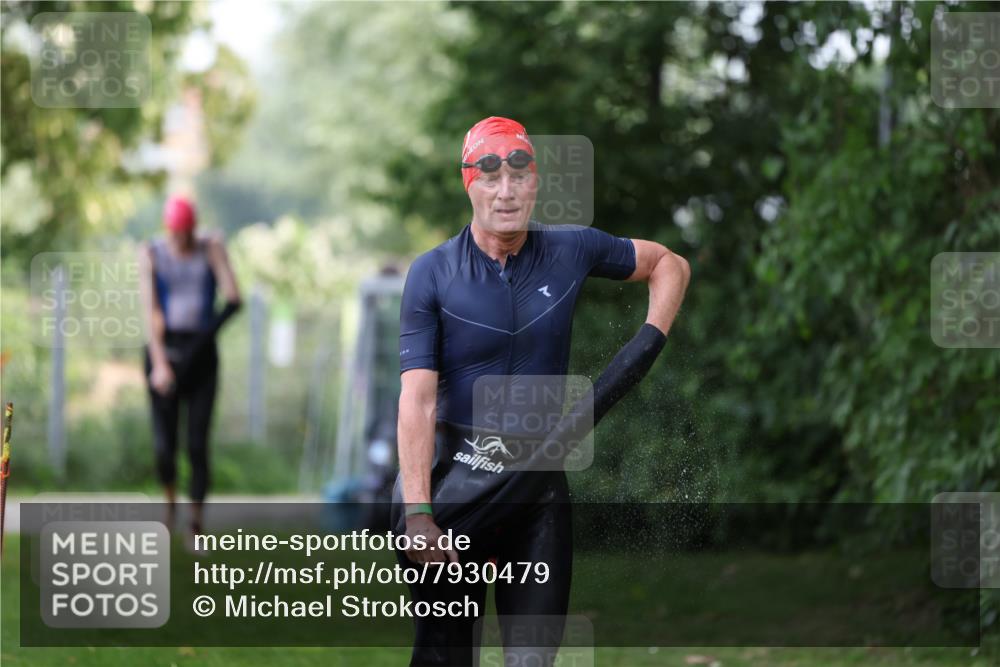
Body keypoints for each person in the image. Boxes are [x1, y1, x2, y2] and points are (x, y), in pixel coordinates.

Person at [391, 117, 691, 666]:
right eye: (490, 176)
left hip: (537, 495)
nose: (506, 192)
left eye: (519, 175)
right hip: (456, 483)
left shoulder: (570, 249)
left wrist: (644, 347)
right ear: (469, 183)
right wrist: (417, 511)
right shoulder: (432, 274)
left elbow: (668, 264)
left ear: (536, 184)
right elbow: (417, 400)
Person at [139, 195, 242, 540]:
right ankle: (170, 508)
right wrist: (159, 364)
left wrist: (220, 255)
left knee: (196, 445)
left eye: (187, 233)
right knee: (164, 448)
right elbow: (151, 311)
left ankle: (195, 525)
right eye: (176, 233)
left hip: (202, 357)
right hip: (165, 353)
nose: (181, 239)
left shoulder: (208, 248)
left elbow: (233, 299)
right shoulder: (153, 253)